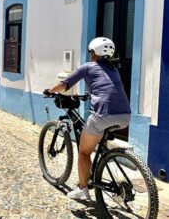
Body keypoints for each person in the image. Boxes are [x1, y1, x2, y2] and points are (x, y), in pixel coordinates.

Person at [46, 37, 131, 200]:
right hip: (125, 116)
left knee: (84, 152)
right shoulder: (114, 70)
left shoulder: (88, 67)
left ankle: (83, 190)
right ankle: (96, 170)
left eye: (91, 52)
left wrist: (50, 91)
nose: (90, 55)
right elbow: (106, 88)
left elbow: (65, 84)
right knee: (95, 140)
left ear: (94, 54)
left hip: (103, 115)